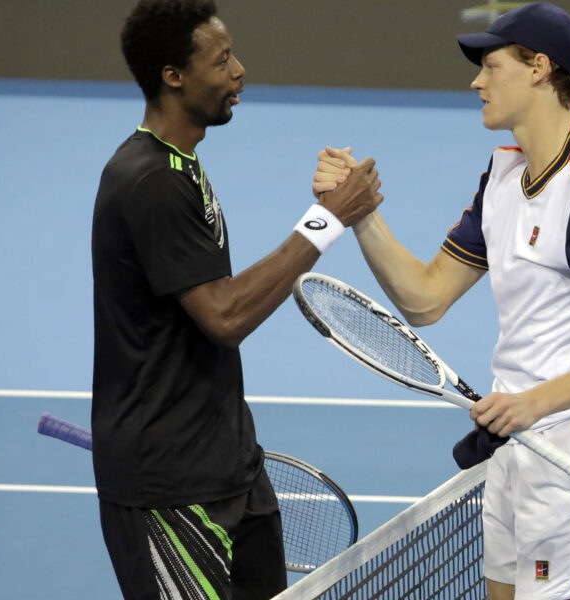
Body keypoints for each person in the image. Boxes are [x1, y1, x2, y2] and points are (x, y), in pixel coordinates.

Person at [312, 3, 570, 599]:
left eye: (491, 65)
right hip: (516, 440)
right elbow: (425, 298)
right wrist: (360, 213)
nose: (476, 81)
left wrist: (534, 403)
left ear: (538, 69)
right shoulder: (505, 175)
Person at [90, 1, 382, 598]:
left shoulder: (182, 166)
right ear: (174, 76)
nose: (240, 71)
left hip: (231, 466)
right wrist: (326, 222)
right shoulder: (149, 182)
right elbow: (224, 316)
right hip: (169, 490)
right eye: (222, 61)